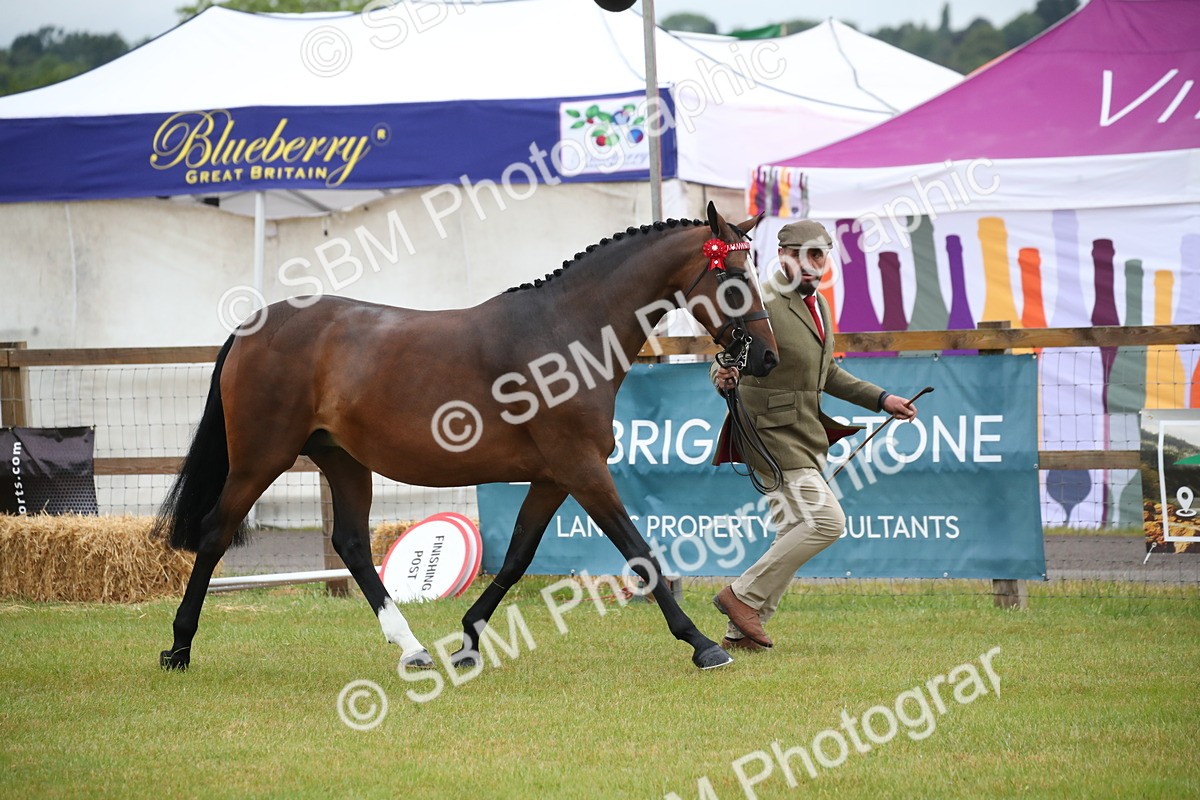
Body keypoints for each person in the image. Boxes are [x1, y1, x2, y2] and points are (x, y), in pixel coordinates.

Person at [709, 219, 917, 651]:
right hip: (767, 431)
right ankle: (741, 597)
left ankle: (742, 633)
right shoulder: (761, 301)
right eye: (801, 255)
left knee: (792, 530)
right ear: (781, 255)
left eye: (819, 255)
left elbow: (830, 373)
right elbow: (725, 358)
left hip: (803, 433)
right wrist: (722, 375)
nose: (811, 263)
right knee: (826, 522)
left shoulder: (819, 306)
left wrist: (883, 399)